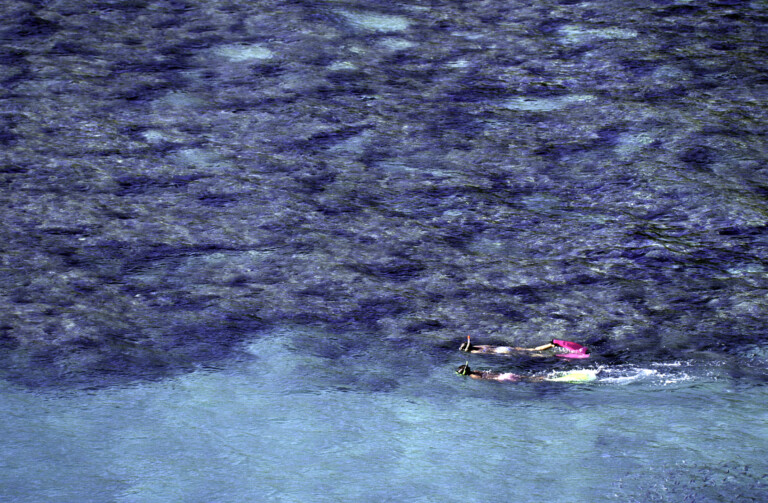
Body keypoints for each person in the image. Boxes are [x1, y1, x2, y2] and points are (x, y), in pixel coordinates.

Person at [459, 335, 590, 359]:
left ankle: (558, 357)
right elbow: (471, 346)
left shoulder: (476, 352)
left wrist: (466, 350)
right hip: (506, 348)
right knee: (533, 350)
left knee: (535, 355)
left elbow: (469, 350)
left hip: (506, 352)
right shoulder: (479, 346)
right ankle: (552, 344)